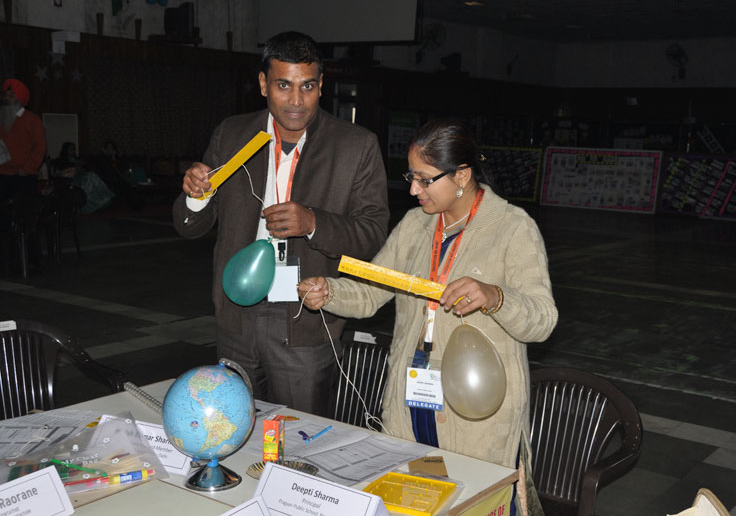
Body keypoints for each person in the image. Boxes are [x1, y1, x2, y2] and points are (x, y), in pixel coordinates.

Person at [298, 119, 557, 515]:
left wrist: (496, 296)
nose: (413, 189)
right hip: (411, 405)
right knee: (411, 502)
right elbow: (371, 291)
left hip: (476, 416)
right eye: (411, 177)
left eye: (424, 179)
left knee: (468, 503)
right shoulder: (415, 225)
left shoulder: (512, 227)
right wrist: (329, 292)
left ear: (462, 176)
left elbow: (543, 320)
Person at [173, 31, 389, 415]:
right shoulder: (232, 135)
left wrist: (313, 222)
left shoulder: (355, 146)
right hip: (236, 315)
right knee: (234, 427)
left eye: (307, 86)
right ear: (263, 84)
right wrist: (196, 194)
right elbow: (189, 225)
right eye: (283, 85)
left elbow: (372, 234)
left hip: (305, 319)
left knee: (300, 435)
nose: (296, 100)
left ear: (321, 86)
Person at [0, 78, 46, 199]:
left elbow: (40, 148)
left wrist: (27, 169)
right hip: (2, 175)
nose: (6, 99)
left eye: (11, 96)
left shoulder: (32, 119)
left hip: (23, 177)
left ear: (19, 99)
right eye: (5, 95)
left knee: (22, 208)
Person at [52, 142, 114, 213]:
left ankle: (105, 198)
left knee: (92, 176)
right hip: (72, 180)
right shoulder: (61, 160)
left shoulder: (77, 159)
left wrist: (76, 162)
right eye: (71, 149)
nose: (73, 151)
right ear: (66, 150)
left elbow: (85, 167)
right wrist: (67, 171)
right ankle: (107, 196)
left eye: (74, 149)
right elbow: (56, 173)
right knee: (91, 176)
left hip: (83, 177)